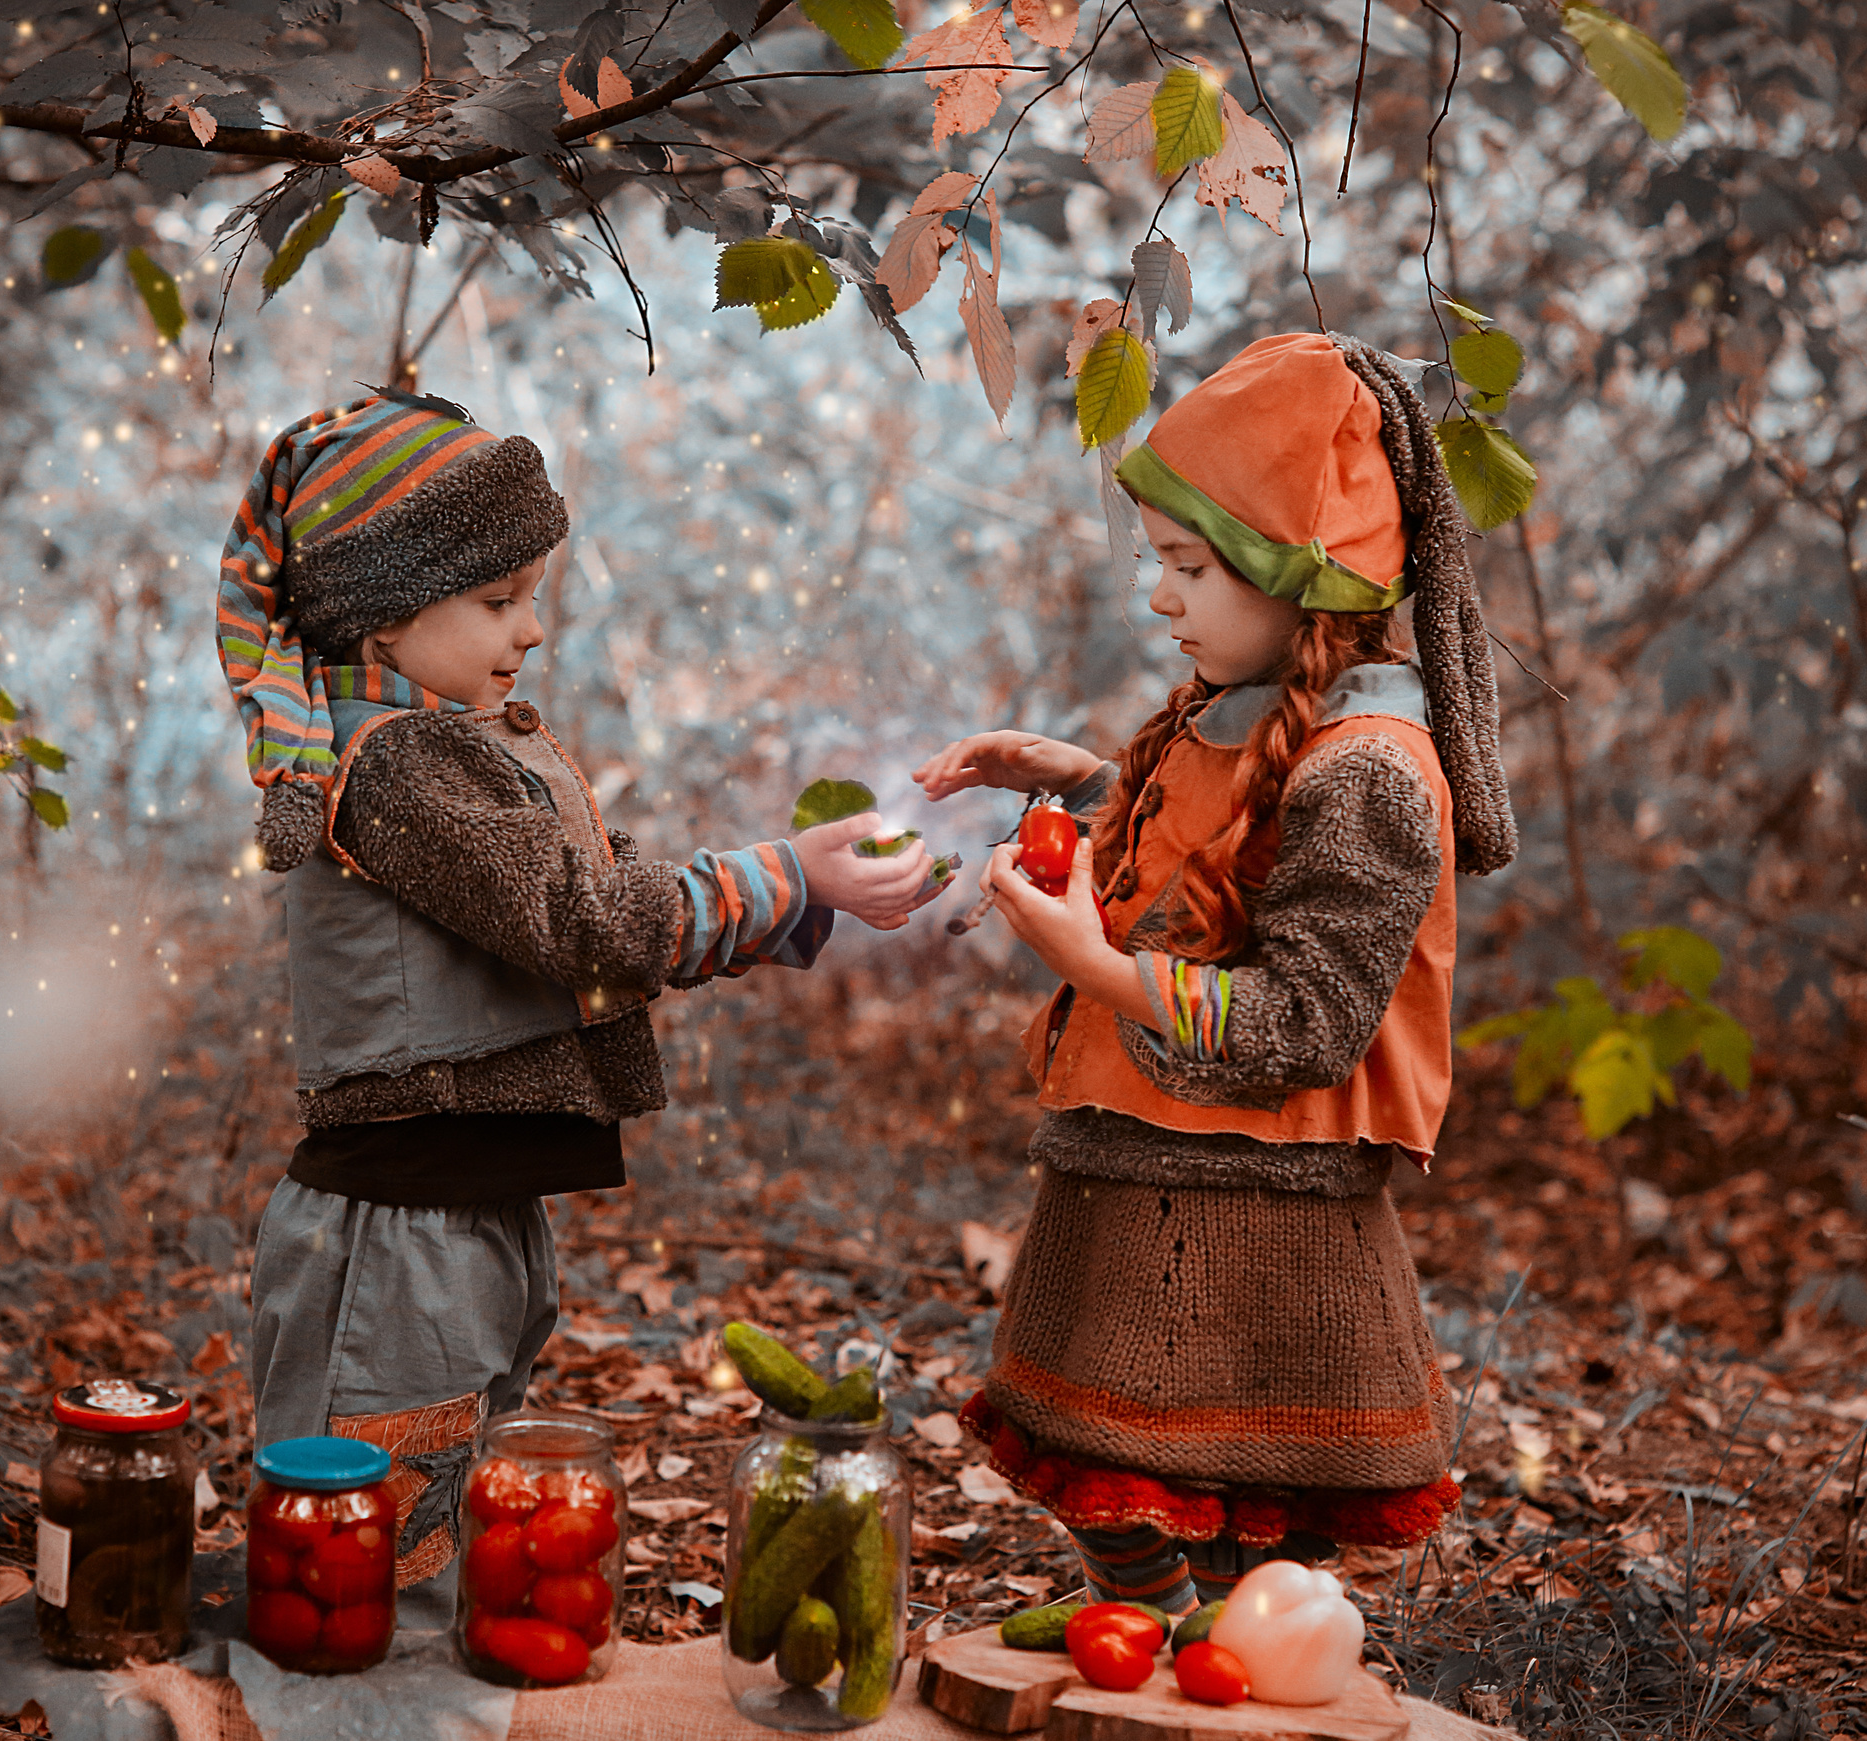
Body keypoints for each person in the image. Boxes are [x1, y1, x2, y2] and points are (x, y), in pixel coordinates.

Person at [216, 388, 939, 1586]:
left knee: (450, 1522)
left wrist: (807, 892)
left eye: (534, 595)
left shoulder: (464, 749)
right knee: (371, 1540)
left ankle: (421, 1694)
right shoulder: (396, 766)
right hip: (399, 1230)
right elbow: (590, 926)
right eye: (497, 600)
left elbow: (616, 927)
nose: (531, 629)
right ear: (382, 623)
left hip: (479, 1209)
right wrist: (784, 874)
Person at [913, 332, 1519, 1614]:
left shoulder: (1368, 774)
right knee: (1109, 1477)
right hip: (1135, 1167)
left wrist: (1092, 962)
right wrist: (1076, 777)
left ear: (1296, 578)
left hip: (1264, 1213)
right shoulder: (1231, 708)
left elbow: (1303, 1023)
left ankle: (1223, 1651)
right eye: (1158, 564)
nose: (1160, 597)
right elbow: (1212, 845)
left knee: (1244, 1498)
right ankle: (1158, 1638)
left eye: (1187, 567)